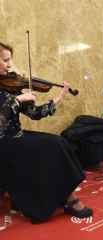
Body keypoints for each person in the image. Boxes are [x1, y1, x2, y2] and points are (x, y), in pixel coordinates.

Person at [0, 42, 93, 223]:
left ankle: (63, 194)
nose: (10, 64)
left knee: (59, 141)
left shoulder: (9, 84)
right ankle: (68, 199)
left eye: (10, 59)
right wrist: (18, 100)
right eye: (5, 60)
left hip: (16, 137)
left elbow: (35, 114)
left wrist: (58, 98)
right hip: (3, 142)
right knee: (52, 146)